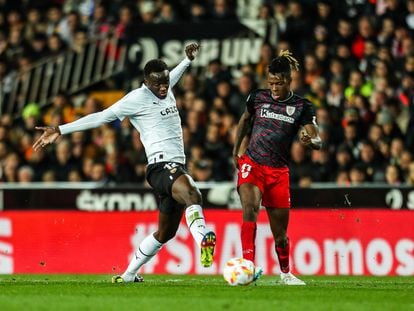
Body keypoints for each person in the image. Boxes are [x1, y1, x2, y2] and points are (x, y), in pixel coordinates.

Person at [33, 43, 216, 283]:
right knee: (192, 193)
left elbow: (173, 77)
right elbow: (101, 116)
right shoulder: (136, 98)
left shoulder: (166, 86)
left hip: (174, 167)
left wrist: (187, 61)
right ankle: (203, 238)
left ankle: (128, 274)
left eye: (165, 82)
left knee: (165, 233)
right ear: (146, 82)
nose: (163, 87)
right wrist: (61, 129)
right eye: (158, 84)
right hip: (161, 166)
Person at [232, 50, 322, 286]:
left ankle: (285, 273)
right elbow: (244, 120)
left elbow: (317, 140)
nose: (273, 87)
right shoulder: (257, 97)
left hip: (278, 172)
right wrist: (235, 150)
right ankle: (247, 265)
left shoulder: (302, 106)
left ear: (289, 81)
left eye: (278, 83)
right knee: (250, 208)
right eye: (270, 82)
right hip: (253, 163)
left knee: (280, 235)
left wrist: (310, 141)